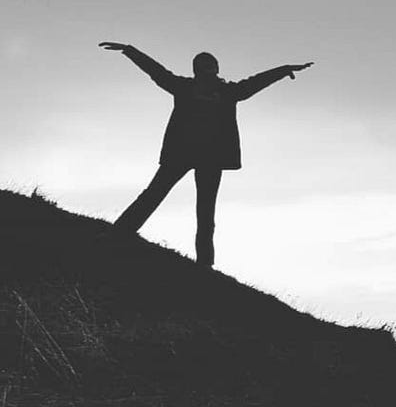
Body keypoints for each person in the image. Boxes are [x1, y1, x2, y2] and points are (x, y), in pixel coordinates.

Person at [99, 42, 313, 267]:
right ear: (195, 70)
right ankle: (118, 234)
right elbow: (157, 72)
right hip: (181, 154)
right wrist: (131, 51)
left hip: (211, 159)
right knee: (154, 194)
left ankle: (205, 264)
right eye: (202, 66)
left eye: (210, 65)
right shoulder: (183, 87)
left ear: (217, 69)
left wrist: (283, 70)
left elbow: (255, 82)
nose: (207, 69)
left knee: (205, 210)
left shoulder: (229, 92)